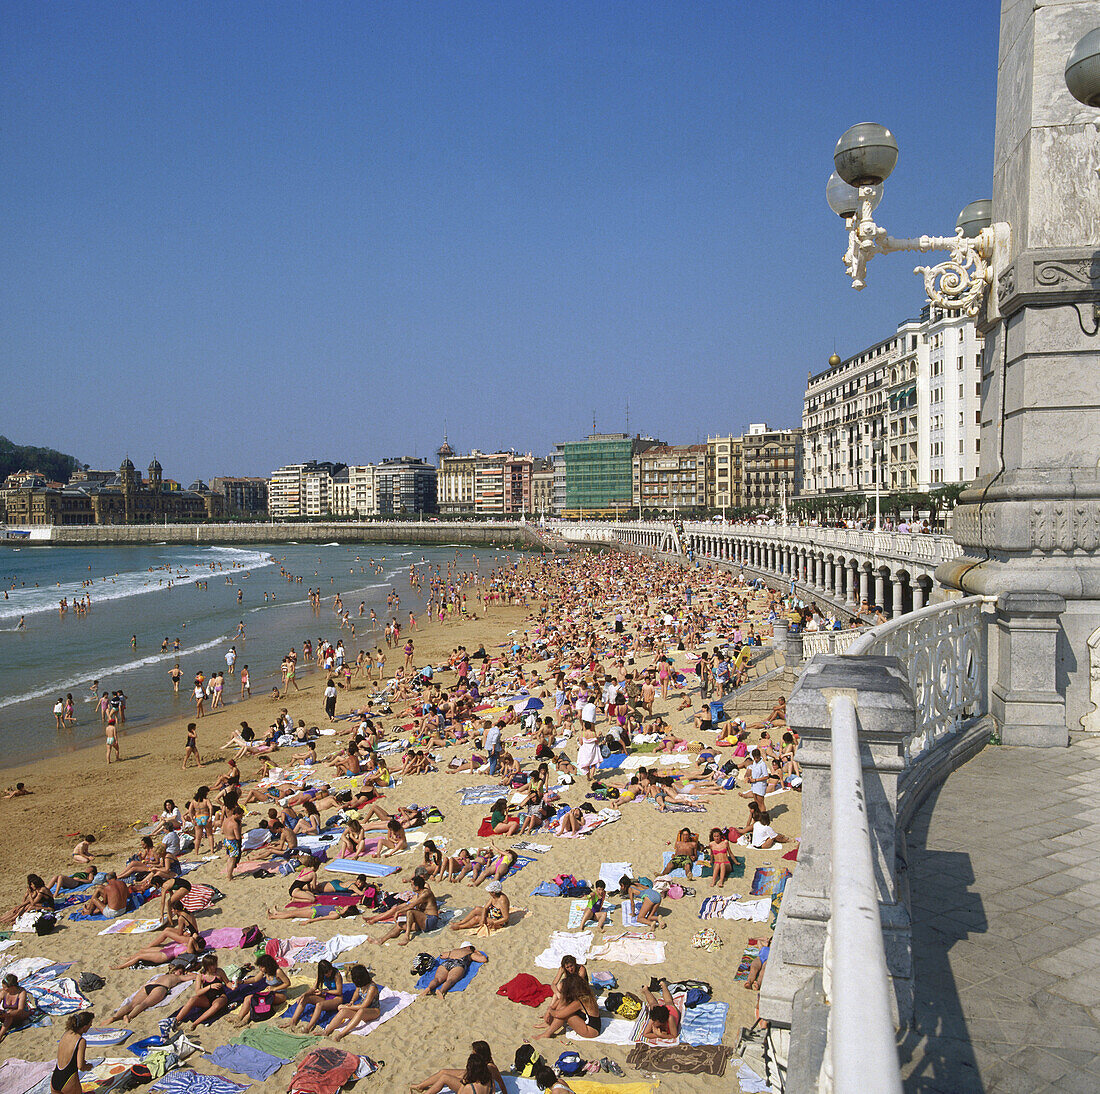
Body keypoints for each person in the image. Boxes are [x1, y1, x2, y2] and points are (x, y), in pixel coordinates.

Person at [411, 1040, 508, 1094]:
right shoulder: (481, 1063)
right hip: (472, 1078)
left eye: (473, 1051)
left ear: (479, 1053)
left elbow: (501, 1082)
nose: (472, 1053)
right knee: (443, 1071)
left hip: (472, 1083)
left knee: (445, 1078)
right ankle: (420, 1086)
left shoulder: (490, 1067)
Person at [530, 970, 601, 1040]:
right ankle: (549, 1023)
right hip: (592, 1024)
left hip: (591, 1030)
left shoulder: (581, 1001)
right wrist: (549, 1010)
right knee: (563, 1007)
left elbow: (559, 1015)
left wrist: (550, 1011)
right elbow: (562, 1000)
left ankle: (547, 1033)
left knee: (564, 1015)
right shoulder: (583, 993)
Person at [280, 960, 343, 1033]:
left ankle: (308, 1027)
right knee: (305, 999)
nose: (329, 973)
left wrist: (324, 991)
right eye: (327, 973)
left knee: (319, 1005)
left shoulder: (336, 975)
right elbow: (313, 988)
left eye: (330, 971)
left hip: (336, 998)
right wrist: (304, 994)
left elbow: (339, 991)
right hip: (327, 995)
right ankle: (293, 1021)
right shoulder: (321, 975)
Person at [230, 954, 291, 1027]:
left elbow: (287, 983)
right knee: (248, 998)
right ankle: (239, 1017)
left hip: (280, 994)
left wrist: (274, 988)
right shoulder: (265, 972)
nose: (260, 968)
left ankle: (246, 1019)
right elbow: (255, 979)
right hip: (270, 993)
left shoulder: (278, 971)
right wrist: (242, 982)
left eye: (262, 966)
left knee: (258, 1000)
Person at [328, 965, 380, 1040]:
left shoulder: (372, 988)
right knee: (343, 1011)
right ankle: (327, 1031)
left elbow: (363, 1006)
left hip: (373, 1010)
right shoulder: (361, 984)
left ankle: (342, 1033)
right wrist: (351, 1002)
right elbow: (356, 992)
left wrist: (346, 1006)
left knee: (360, 1011)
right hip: (361, 1008)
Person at [418, 944, 488, 998]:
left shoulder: (454, 950)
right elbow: (483, 959)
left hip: (446, 963)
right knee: (450, 980)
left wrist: (451, 954)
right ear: (468, 947)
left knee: (437, 979)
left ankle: (428, 988)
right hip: (459, 964)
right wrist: (477, 952)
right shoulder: (469, 953)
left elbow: (442, 955)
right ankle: (441, 991)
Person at [49, 1011, 93, 1091]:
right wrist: (88, 1066)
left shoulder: (66, 1033)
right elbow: (80, 1066)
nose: (91, 1025)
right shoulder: (81, 1041)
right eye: (90, 1023)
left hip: (55, 1078)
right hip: (68, 1081)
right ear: (84, 1027)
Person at [0, 973, 31, 1044]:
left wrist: (8, 1014)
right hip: (7, 1014)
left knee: (9, 1015)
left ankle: (0, 1035)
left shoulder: (21, 992)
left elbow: (20, 1010)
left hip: (20, 1014)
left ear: (12, 987)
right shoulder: (3, 993)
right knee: (7, 1014)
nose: (4, 989)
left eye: (5, 987)